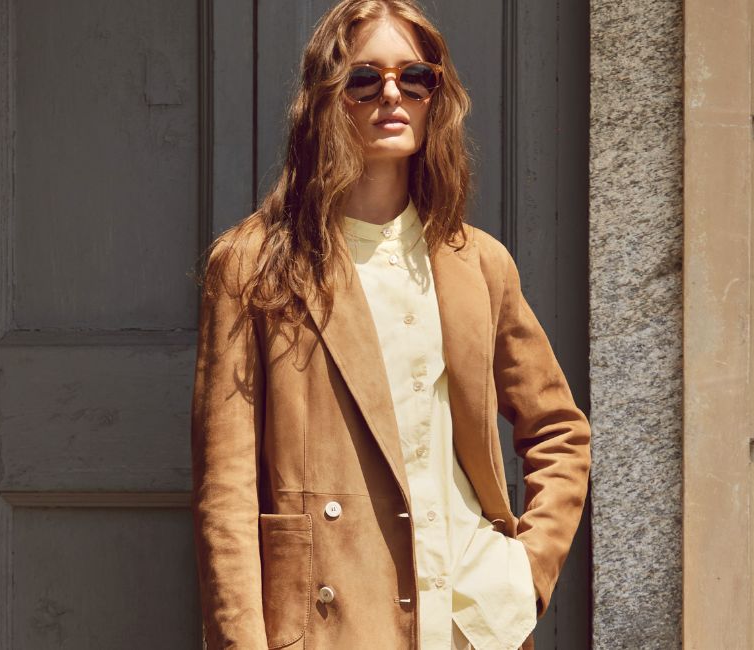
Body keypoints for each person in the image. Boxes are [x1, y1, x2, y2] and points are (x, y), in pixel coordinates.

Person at [189, 1, 591, 648]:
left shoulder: (476, 262)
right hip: (330, 625)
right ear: (327, 98)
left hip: (469, 621)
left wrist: (525, 569)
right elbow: (226, 494)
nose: (392, 95)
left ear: (437, 96)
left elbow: (559, 431)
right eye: (364, 79)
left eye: (415, 77)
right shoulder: (253, 265)